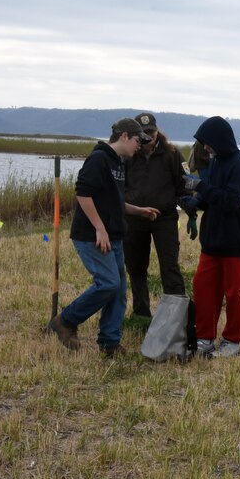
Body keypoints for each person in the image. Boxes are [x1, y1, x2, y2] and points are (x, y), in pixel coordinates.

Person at [48, 118, 158, 356]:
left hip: (114, 236)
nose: (140, 145)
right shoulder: (99, 159)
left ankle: (109, 342)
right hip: (92, 236)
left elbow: (113, 201)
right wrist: (99, 227)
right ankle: (66, 321)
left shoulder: (118, 163)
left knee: (117, 292)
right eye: (138, 140)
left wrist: (137, 210)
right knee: (108, 283)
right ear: (125, 137)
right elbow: (83, 194)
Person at [182, 116, 240, 358]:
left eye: (207, 142)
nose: (205, 147)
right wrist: (193, 202)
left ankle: (232, 342)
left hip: (236, 242)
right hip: (212, 242)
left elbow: (232, 201)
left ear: (219, 140)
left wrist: (200, 187)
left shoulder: (239, 164)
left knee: (234, 294)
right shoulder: (215, 163)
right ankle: (204, 339)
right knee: (203, 289)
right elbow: (211, 197)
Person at [123, 113, 188, 328]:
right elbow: (120, 186)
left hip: (165, 218)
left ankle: (176, 317)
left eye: (150, 132)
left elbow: (185, 185)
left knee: (169, 266)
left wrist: (192, 212)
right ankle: (141, 314)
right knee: (136, 266)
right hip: (135, 217)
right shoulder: (129, 154)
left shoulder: (172, 154)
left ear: (157, 131)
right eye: (143, 134)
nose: (148, 137)